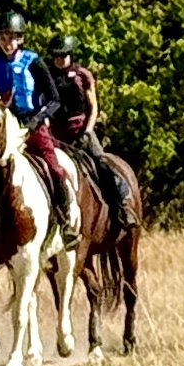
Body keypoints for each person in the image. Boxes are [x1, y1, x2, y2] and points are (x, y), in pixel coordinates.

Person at [0, 11, 78, 245]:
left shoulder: (34, 62)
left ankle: (66, 221)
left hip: (30, 124)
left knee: (55, 168)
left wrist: (35, 122)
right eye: (3, 38)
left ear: (21, 39)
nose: (7, 43)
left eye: (12, 38)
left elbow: (54, 99)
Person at [46, 34, 135, 230]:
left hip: (80, 131)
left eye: (63, 56)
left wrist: (87, 132)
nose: (60, 60)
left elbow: (93, 107)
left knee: (102, 162)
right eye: (56, 56)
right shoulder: (47, 77)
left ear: (71, 55)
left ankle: (123, 205)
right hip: (56, 135)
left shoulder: (82, 76)